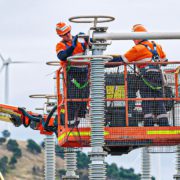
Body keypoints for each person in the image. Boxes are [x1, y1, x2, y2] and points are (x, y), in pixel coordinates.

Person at [110, 24, 169, 126]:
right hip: (159, 76)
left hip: (146, 76)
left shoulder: (138, 48)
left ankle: (148, 124)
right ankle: (164, 124)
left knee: (147, 100)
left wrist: (105, 62)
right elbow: (165, 62)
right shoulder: (157, 46)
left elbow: (122, 60)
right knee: (159, 101)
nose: (133, 40)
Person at [56, 22, 89, 127]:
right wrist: (72, 46)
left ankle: (80, 118)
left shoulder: (80, 40)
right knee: (72, 98)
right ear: (60, 35)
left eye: (68, 32)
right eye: (65, 34)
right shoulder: (60, 45)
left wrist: (88, 40)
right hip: (71, 73)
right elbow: (62, 56)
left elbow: (93, 46)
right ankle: (70, 122)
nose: (68, 35)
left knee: (84, 96)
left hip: (84, 72)